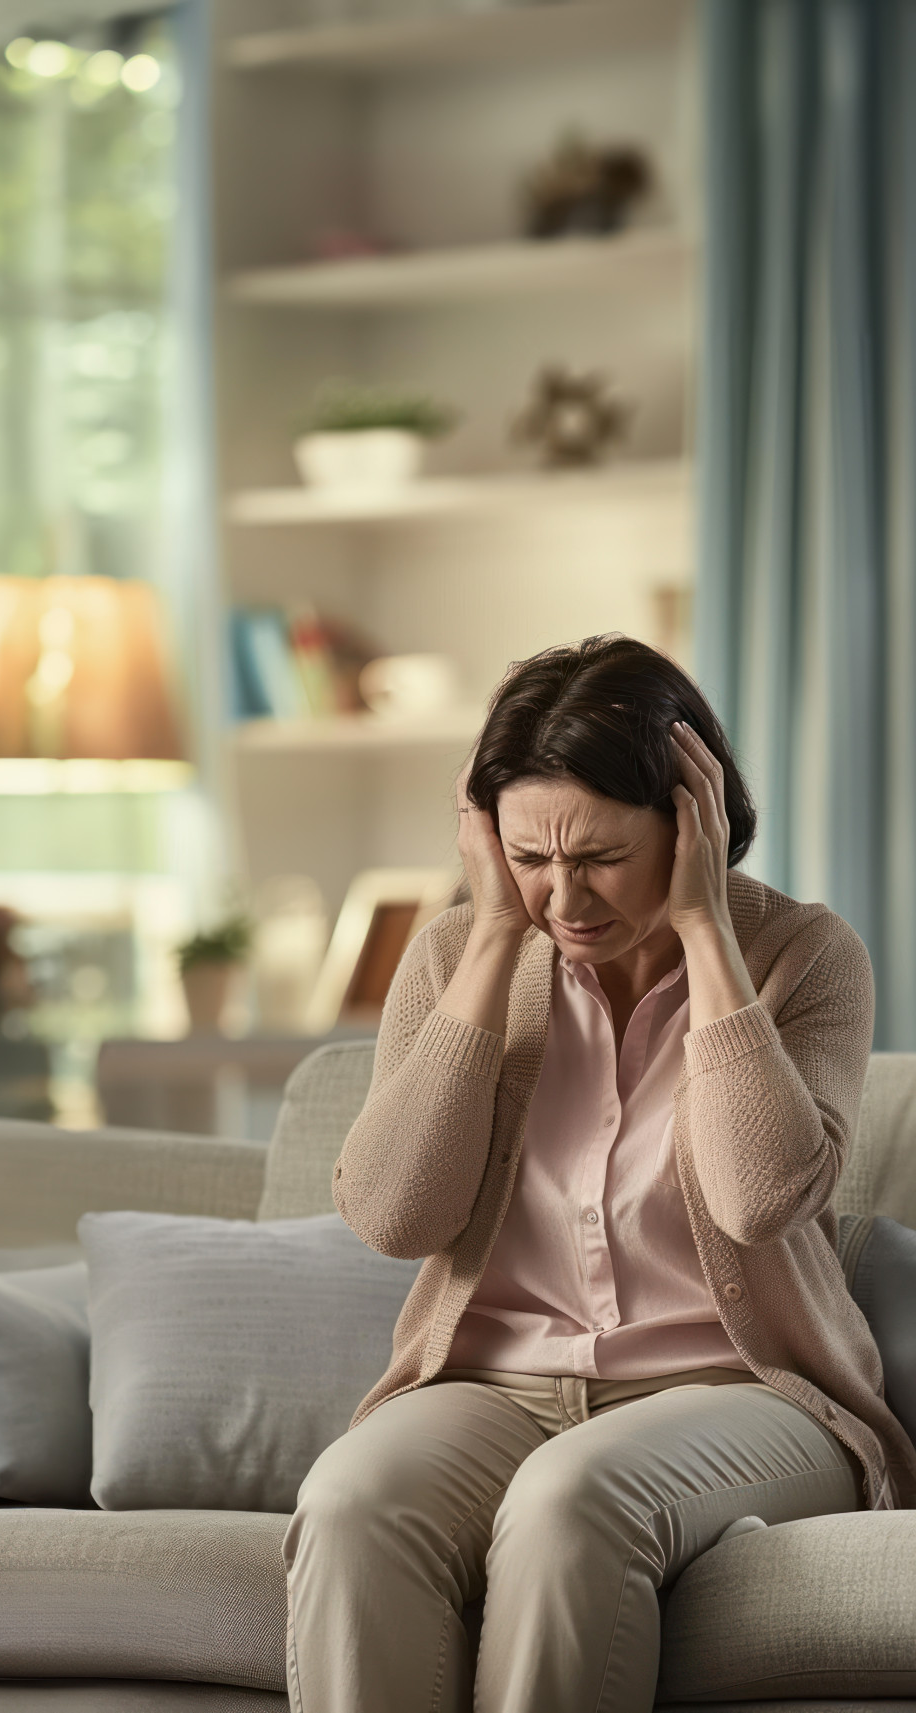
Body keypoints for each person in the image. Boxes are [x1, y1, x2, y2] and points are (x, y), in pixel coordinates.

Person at [282, 633, 916, 1713]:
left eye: (601, 858)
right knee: (350, 1498)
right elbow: (394, 1214)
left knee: (574, 1498)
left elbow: (761, 1198)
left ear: (691, 821)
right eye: (529, 858)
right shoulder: (453, 956)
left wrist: (705, 928)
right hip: (492, 1386)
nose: (563, 899)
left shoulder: (806, 956)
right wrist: (489, 938)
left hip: (741, 1388)